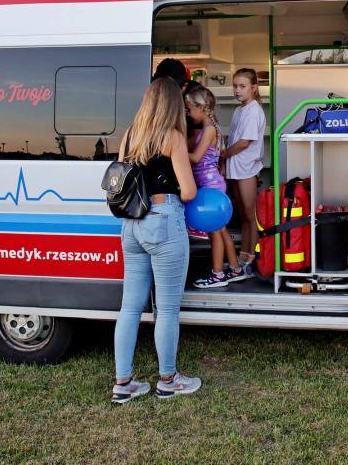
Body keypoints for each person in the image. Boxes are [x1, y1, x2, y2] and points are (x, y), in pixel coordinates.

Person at [111, 77, 201, 404]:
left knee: (129, 307)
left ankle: (123, 383)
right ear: (174, 104)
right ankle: (168, 380)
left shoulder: (130, 136)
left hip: (132, 224)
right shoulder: (172, 137)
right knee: (167, 309)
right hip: (163, 221)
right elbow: (188, 191)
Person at [184, 85, 241, 288]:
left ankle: (217, 274)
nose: (188, 113)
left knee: (214, 231)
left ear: (200, 108)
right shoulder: (209, 127)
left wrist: (174, 150)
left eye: (189, 109)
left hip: (210, 186)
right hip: (212, 185)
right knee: (221, 230)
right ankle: (235, 268)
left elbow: (196, 157)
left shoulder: (208, 130)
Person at [222, 68, 265, 274]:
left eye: (242, 86)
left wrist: (223, 155)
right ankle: (243, 255)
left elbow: (244, 142)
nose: (237, 90)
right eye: (235, 86)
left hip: (246, 168)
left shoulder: (254, 110)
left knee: (250, 215)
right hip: (236, 168)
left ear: (253, 88)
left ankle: (251, 256)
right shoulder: (240, 110)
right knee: (243, 215)